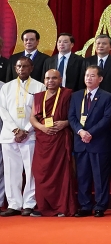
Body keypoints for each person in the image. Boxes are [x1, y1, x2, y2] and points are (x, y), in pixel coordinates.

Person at [68, 65, 111, 217]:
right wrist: (81, 132)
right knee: (83, 176)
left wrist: (90, 133)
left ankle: (100, 206)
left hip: (99, 142)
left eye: (92, 76)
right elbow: (72, 117)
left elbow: (107, 119)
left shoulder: (107, 97)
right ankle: (85, 205)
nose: (88, 78)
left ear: (100, 79)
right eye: (87, 75)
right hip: (81, 142)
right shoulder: (76, 96)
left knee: (100, 176)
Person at [0, 58, 45, 216]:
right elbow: (2, 111)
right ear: (14, 68)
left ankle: (29, 203)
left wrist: (25, 130)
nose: (21, 69)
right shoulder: (6, 87)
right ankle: (13, 204)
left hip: (30, 135)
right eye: (19, 66)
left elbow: (39, 112)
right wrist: (15, 130)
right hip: (8, 135)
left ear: (31, 68)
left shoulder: (39, 86)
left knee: (31, 170)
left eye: (25, 66)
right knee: (11, 171)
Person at [28, 69, 75, 217]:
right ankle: (43, 206)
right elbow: (32, 118)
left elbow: (74, 116)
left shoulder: (68, 95)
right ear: (44, 80)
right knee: (41, 171)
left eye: (54, 78)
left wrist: (65, 123)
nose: (51, 81)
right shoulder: (39, 97)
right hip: (43, 140)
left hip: (60, 139)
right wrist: (41, 127)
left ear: (60, 80)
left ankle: (62, 207)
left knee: (61, 173)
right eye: (48, 78)